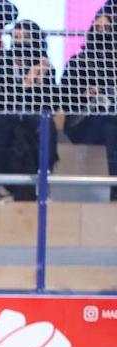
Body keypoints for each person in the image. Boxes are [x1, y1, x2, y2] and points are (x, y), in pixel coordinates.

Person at [0, 20, 58, 202]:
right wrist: (27, 82)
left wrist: (40, 80)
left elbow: (50, 104)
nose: (19, 42)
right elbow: (1, 100)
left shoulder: (44, 66)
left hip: (31, 116)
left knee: (46, 125)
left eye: (24, 38)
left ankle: (42, 181)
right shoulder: (0, 63)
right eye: (16, 37)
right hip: (4, 114)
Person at [60, 2, 117, 202]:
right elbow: (65, 99)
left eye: (107, 28)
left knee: (111, 124)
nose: (102, 32)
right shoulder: (77, 62)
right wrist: (84, 96)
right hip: (82, 123)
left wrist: (106, 91)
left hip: (110, 121)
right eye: (98, 28)